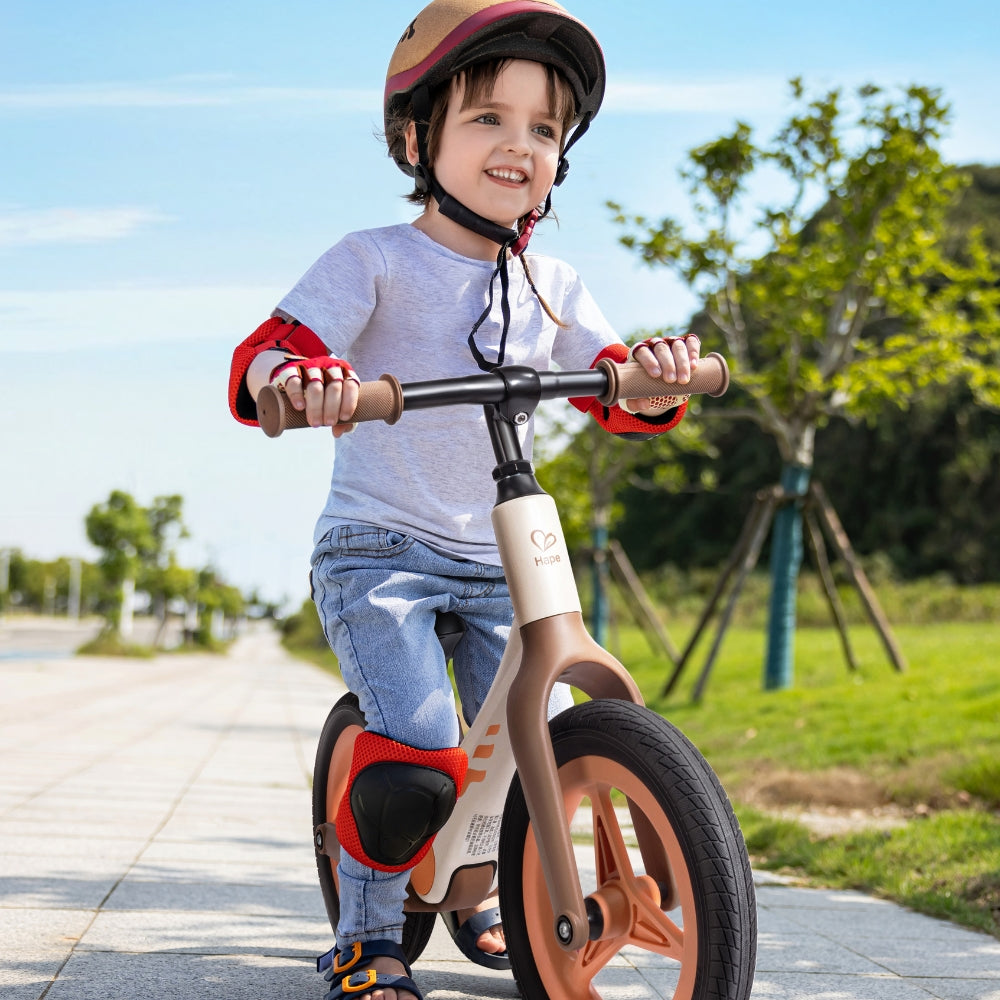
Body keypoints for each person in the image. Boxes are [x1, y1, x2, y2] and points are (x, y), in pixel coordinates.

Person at [228, 3, 700, 999]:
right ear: (416, 137)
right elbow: (270, 352)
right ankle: (366, 931)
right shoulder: (376, 260)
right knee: (420, 755)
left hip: (500, 555)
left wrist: (654, 376)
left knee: (538, 744)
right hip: (381, 547)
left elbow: (617, 385)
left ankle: (486, 891)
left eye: (543, 127)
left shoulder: (552, 282)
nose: (518, 145)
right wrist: (297, 380)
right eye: (488, 117)